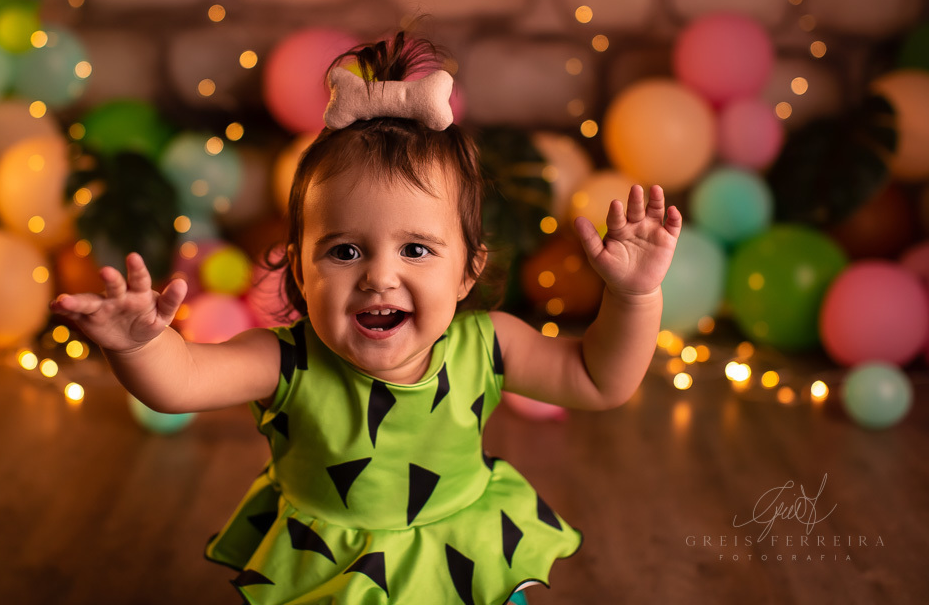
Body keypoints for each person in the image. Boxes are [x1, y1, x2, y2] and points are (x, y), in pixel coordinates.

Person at [50, 32, 681, 604]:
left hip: (459, 558)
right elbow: (181, 383)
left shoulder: (490, 346)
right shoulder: (285, 360)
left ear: (468, 271)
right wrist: (140, 346)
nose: (380, 276)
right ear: (300, 270)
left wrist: (634, 297)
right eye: (345, 251)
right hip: (331, 573)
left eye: (416, 250)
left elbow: (600, 380)